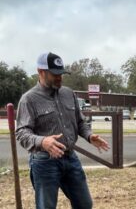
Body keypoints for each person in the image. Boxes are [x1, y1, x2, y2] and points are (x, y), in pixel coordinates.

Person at [16, 52, 110, 209]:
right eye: (55, 74)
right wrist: (42, 141)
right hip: (44, 162)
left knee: (85, 204)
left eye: (61, 73)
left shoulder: (68, 93)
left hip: (70, 158)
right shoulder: (29, 99)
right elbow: (21, 132)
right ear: (41, 72)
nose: (60, 77)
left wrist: (89, 135)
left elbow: (80, 121)